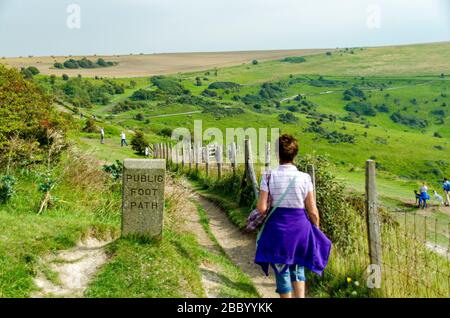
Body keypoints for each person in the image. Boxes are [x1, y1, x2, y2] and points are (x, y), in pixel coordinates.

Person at [254, 134, 330, 299]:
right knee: (298, 267)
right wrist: (315, 230)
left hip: (277, 229)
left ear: (277, 154)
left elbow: (261, 208)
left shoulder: (268, 175)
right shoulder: (305, 178)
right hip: (300, 230)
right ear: (294, 154)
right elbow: (313, 211)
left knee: (282, 269)